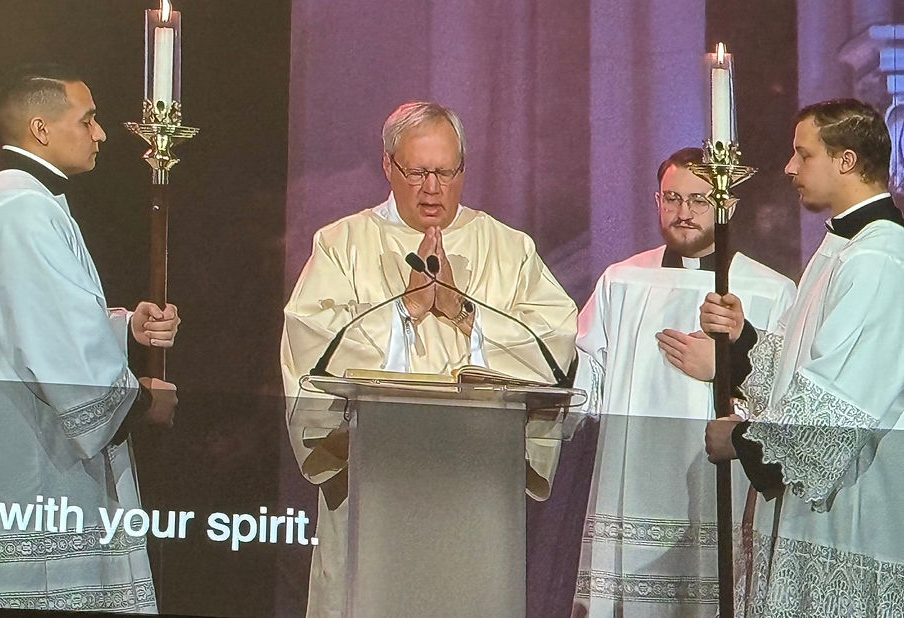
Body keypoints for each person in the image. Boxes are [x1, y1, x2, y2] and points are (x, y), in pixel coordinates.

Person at [281, 101, 578, 617]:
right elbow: (312, 347)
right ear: (387, 167)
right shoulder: (342, 244)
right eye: (417, 172)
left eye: (446, 172)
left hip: (475, 480)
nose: (433, 189)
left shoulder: (508, 248)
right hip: (375, 480)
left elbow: (554, 345)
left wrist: (467, 316)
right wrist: (407, 310)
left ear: (464, 168)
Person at [0, 64, 179, 613]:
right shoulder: (22, 208)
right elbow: (55, 344)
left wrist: (126, 326)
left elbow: (33, 319)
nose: (101, 134)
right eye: (88, 120)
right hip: (27, 462)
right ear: (41, 129)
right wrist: (139, 402)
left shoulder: (6, 197)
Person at [571, 147, 795, 617]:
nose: (684, 213)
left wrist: (727, 368)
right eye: (672, 198)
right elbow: (584, 375)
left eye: (698, 200)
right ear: (656, 201)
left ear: (725, 206)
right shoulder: (623, 281)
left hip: (719, 480)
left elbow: (788, 396)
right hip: (633, 479)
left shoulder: (769, 290)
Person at [701, 99, 904, 616]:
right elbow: (803, 362)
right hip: (819, 504)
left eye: (803, 154)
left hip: (854, 504)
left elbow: (842, 395)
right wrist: (743, 339)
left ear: (847, 160)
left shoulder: (879, 257)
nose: (790, 169)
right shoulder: (842, 246)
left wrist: (743, 440)